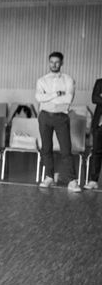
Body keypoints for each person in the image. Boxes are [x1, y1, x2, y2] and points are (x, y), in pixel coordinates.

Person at [36, 52, 81, 192]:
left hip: (61, 117)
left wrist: (47, 98)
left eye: (57, 62)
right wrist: (56, 95)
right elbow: (38, 98)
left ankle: (72, 181)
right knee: (46, 148)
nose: (54, 64)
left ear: (61, 63)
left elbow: (68, 99)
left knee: (66, 149)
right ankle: (49, 177)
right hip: (44, 116)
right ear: (49, 63)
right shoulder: (41, 80)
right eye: (51, 62)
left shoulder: (68, 79)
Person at [85, 76, 102, 190]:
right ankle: (93, 180)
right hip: (99, 124)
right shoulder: (100, 82)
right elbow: (95, 98)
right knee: (96, 152)